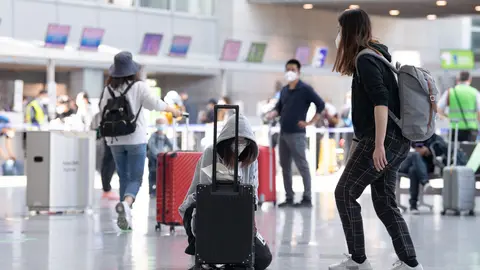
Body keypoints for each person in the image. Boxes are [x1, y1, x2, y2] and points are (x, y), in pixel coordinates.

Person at [330, 9, 423, 270]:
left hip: (383, 140)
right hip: (396, 140)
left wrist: (379, 145)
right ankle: (410, 263)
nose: (337, 36)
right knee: (384, 203)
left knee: (344, 193)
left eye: (340, 31)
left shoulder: (365, 59)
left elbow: (380, 102)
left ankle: (358, 260)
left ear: (349, 31)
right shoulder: (379, 55)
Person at [99, 51, 181, 230]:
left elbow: (101, 110)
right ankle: (127, 205)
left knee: (123, 177)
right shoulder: (139, 86)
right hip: (135, 138)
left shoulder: (108, 89)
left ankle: (125, 215)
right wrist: (173, 110)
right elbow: (155, 104)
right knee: (136, 178)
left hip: (114, 140)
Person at [178, 114, 272, 270]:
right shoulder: (211, 153)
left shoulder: (251, 158)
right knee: (215, 249)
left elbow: (252, 192)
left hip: (240, 216)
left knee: (263, 258)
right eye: (237, 140)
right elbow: (206, 192)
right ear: (228, 139)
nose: (241, 145)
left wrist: (251, 226)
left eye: (244, 140)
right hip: (208, 212)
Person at [266, 59, 325, 208]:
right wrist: (272, 113)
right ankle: (289, 197)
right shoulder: (284, 90)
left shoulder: (305, 89)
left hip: (297, 133)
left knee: (302, 165)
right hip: (283, 133)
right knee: (284, 166)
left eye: (293, 69)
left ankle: (307, 197)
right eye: (288, 69)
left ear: (298, 71)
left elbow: (320, 104)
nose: (290, 72)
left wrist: (309, 122)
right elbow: (279, 108)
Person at [398, 134, 466, 214]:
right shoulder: (417, 136)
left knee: (413, 170)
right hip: (406, 164)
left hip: (423, 167)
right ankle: (425, 182)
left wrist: (429, 151)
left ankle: (413, 205)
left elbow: (442, 150)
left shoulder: (436, 139)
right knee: (415, 155)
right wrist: (419, 150)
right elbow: (415, 147)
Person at [437, 71, 480, 142]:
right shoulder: (475, 93)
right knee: (469, 151)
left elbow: (438, 108)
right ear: (470, 79)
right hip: (471, 130)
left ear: (457, 79)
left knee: (454, 151)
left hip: (454, 128)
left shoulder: (450, 92)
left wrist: (447, 117)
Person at [147, 117, 173, 197]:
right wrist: (158, 155)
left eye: (163, 124)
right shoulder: (153, 136)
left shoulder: (164, 136)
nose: (161, 126)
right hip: (153, 160)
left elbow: (171, 145)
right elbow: (151, 147)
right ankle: (152, 191)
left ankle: (160, 190)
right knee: (153, 175)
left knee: (161, 175)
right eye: (160, 124)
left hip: (161, 159)